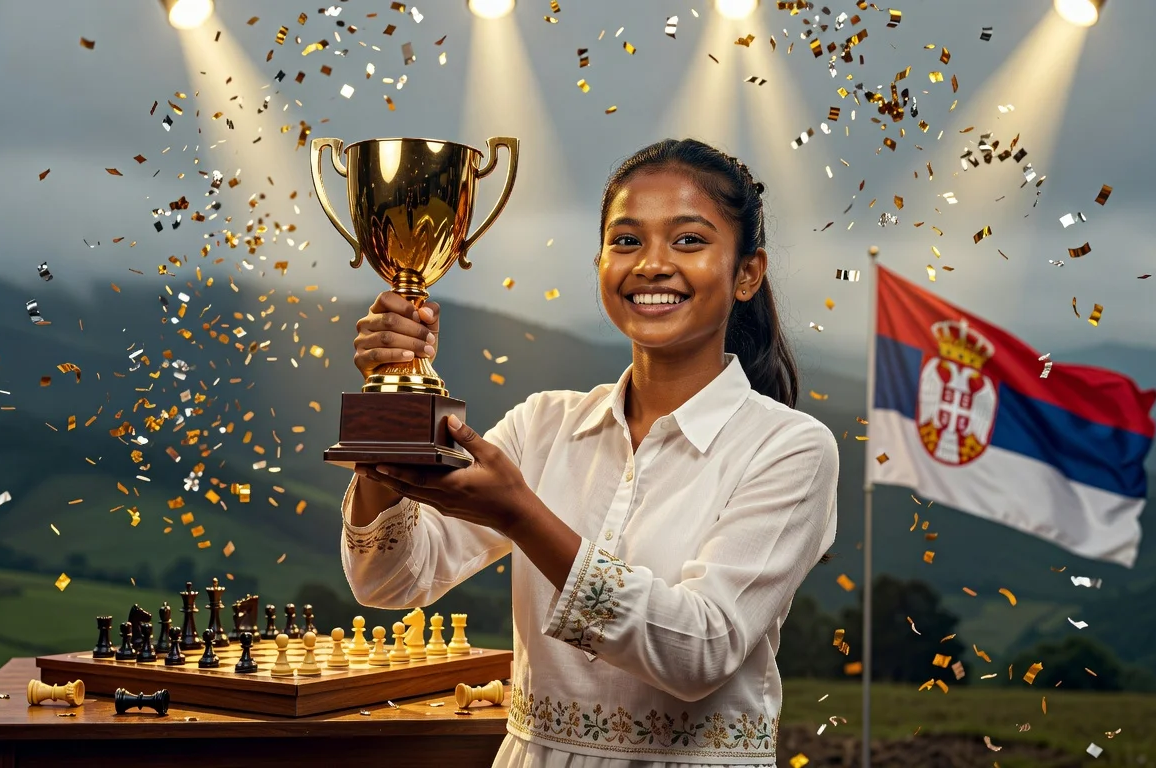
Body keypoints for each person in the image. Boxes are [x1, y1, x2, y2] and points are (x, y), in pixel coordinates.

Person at [341, 138, 838, 767]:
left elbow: (699, 652)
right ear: (600, 261)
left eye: (688, 240)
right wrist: (392, 405)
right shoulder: (542, 424)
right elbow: (390, 579)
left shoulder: (790, 448)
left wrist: (521, 514)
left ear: (747, 272)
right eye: (627, 241)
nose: (652, 265)